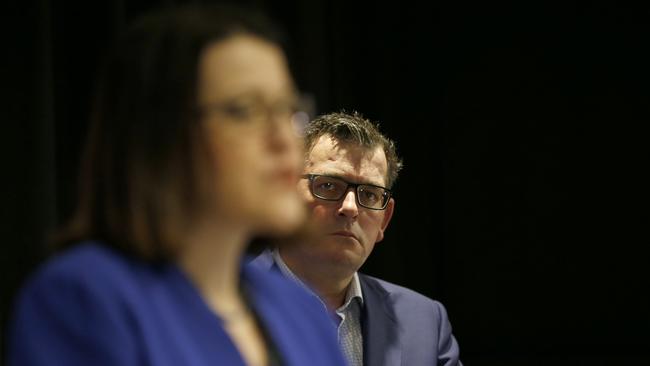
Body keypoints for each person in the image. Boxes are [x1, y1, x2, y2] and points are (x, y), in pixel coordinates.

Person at [7, 4, 346, 366]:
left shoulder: (301, 311)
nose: (283, 139)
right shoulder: (84, 300)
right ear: (158, 133)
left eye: (287, 108)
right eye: (244, 110)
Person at [252, 111, 462, 366]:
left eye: (370, 194)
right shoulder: (221, 302)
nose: (350, 207)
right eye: (328, 185)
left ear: (384, 220)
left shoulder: (424, 322)